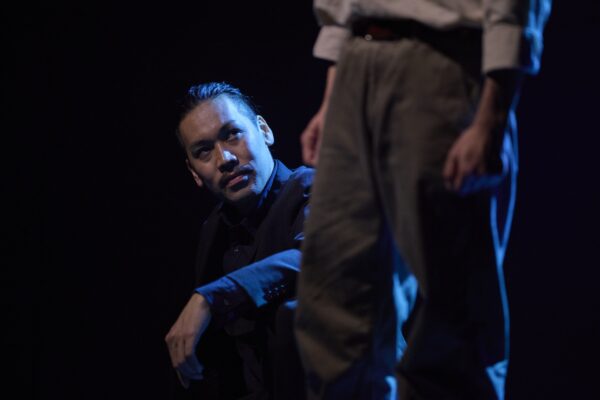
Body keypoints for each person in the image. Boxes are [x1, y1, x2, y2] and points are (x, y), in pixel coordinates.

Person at [295, 1, 552, 399]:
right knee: (335, 299)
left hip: (442, 58)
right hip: (355, 61)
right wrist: (334, 92)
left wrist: (493, 113)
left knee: (452, 311)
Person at [165, 82, 313, 400]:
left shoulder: (315, 188)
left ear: (264, 130)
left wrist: (212, 297)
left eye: (232, 134)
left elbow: (316, 257)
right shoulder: (213, 233)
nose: (225, 158)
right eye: (203, 151)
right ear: (193, 172)